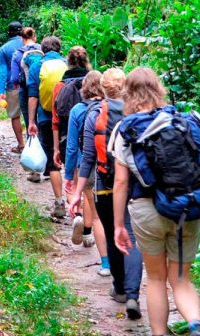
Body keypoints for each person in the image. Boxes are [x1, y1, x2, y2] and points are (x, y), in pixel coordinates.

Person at [110, 68, 200, 336]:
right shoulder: (179, 121)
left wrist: (119, 225)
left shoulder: (125, 129)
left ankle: (159, 333)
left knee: (155, 278)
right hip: (186, 206)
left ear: (127, 94)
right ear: (158, 89)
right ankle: (196, 325)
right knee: (181, 279)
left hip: (146, 210)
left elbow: (120, 183)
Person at [68, 68, 143, 320]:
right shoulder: (137, 112)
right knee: (131, 235)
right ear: (124, 86)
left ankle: (120, 289)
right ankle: (133, 295)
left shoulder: (95, 114)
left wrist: (77, 192)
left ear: (103, 88)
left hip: (104, 185)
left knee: (113, 236)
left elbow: (88, 156)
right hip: (133, 185)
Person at [62, 70, 111, 279]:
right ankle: (124, 262)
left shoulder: (78, 110)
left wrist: (68, 175)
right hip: (113, 168)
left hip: (88, 167)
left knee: (98, 214)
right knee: (118, 216)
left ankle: (106, 263)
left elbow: (72, 146)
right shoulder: (113, 108)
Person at [26, 36, 67, 217]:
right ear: (59, 49)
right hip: (68, 119)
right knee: (73, 162)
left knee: (53, 162)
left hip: (46, 118)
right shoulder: (68, 65)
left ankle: (59, 203)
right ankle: (79, 207)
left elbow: (33, 96)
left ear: (42, 50)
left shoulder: (37, 67)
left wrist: (31, 121)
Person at [0, 21, 25, 153]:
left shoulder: (4, 49)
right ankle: (35, 145)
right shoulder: (30, 44)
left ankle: (21, 145)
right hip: (31, 86)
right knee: (32, 116)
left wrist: (1, 91)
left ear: (9, 33)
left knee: (15, 116)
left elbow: (3, 72)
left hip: (12, 86)